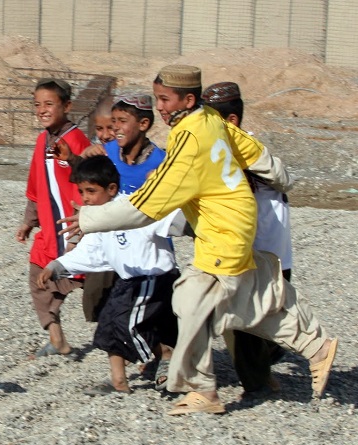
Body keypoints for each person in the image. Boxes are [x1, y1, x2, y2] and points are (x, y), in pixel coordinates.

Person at [58, 64, 338, 415]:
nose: (159, 107)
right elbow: (252, 150)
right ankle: (315, 347)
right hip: (226, 229)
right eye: (157, 98)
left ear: (188, 99)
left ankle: (203, 390)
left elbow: (148, 205)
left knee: (193, 303)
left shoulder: (191, 139)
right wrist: (280, 175)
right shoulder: (208, 119)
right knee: (231, 309)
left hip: (225, 234)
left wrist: (89, 218)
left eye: (164, 99)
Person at [37, 156, 184, 393]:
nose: (85, 198)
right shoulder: (98, 220)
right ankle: (119, 382)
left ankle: (165, 354)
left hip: (153, 280)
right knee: (107, 325)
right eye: (82, 191)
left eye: (91, 191)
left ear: (112, 189)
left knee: (128, 326)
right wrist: (56, 267)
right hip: (128, 282)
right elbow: (91, 254)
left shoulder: (134, 207)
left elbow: (168, 220)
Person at [202, 81, 292, 397]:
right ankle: (264, 363)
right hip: (260, 251)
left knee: (241, 319)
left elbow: (281, 181)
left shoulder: (242, 151)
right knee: (246, 316)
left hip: (260, 251)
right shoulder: (232, 151)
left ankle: (259, 382)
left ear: (231, 123)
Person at [16, 78, 92, 359]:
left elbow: (89, 182)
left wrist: (84, 225)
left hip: (77, 229)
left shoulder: (76, 141)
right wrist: (28, 221)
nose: (42, 110)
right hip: (50, 231)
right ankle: (57, 339)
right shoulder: (41, 141)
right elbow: (36, 186)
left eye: (49, 104)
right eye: (37, 104)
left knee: (98, 287)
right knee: (38, 278)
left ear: (67, 106)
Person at [58, 93, 166, 195]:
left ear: (143, 124)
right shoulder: (106, 152)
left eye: (122, 121)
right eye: (113, 121)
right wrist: (72, 158)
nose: (115, 127)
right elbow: (83, 179)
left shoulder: (160, 161)